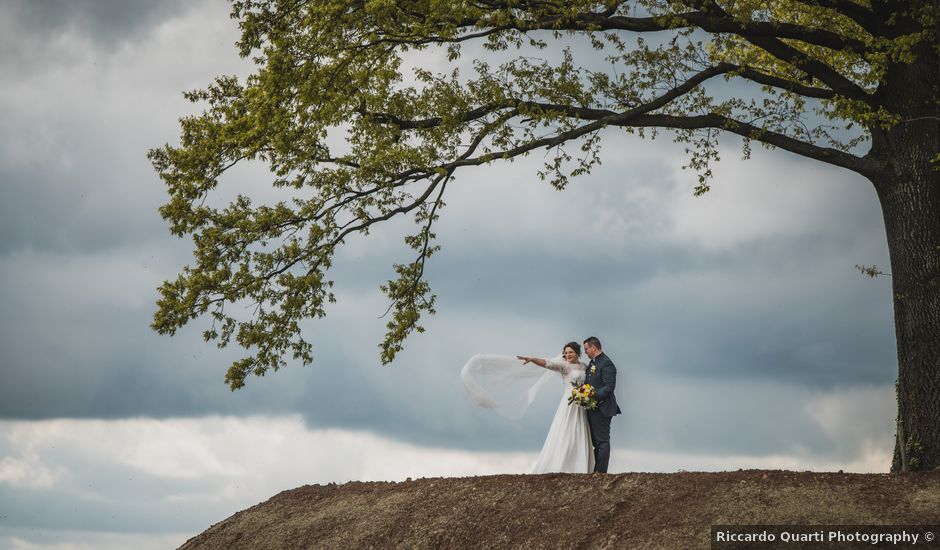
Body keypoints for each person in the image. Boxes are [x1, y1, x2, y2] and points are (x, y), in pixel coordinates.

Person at [516, 342, 595, 474]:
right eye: (566, 352)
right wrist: (532, 359)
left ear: (577, 353)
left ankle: (579, 466)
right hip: (568, 403)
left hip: (581, 404)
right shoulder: (564, 366)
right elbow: (547, 363)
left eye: (571, 352)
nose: (568, 355)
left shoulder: (585, 366)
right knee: (566, 430)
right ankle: (560, 464)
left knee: (579, 430)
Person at [581, 336, 621, 473]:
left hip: (603, 407)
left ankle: (601, 472)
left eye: (586, 349)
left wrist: (592, 395)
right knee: (595, 442)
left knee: (602, 441)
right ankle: (595, 471)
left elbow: (609, 387)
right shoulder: (593, 363)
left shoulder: (607, 363)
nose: (585, 352)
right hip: (592, 407)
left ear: (594, 347)